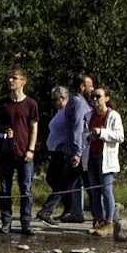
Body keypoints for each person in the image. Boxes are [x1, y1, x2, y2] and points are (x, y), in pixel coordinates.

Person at [0, 72, 39, 238]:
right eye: (9, 78)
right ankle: (6, 221)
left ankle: (26, 222)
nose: (11, 80)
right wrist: (2, 134)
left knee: (25, 189)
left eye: (15, 78)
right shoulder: (2, 104)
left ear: (23, 82)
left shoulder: (30, 104)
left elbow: (34, 127)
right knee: (5, 188)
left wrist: (31, 149)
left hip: (24, 152)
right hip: (5, 152)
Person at [84, 80, 124, 236]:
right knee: (94, 191)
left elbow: (120, 136)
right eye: (93, 96)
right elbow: (83, 135)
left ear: (106, 98)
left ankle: (109, 222)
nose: (95, 99)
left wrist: (101, 133)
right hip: (92, 155)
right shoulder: (88, 116)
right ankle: (97, 220)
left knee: (106, 190)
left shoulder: (113, 116)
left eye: (98, 96)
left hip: (105, 157)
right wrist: (89, 137)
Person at [41, 83, 82, 224]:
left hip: (62, 152)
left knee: (62, 182)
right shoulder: (60, 111)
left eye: (55, 99)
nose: (53, 102)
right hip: (55, 151)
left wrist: (68, 147)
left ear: (63, 98)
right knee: (54, 180)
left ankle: (51, 210)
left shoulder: (67, 111)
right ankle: (70, 209)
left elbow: (72, 130)